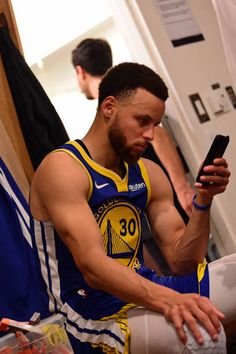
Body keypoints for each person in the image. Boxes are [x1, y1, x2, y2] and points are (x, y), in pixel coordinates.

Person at [30, 62, 236, 354]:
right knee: (200, 335)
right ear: (109, 107)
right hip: (86, 311)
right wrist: (168, 299)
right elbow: (93, 267)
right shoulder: (63, 169)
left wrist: (204, 200)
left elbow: (182, 262)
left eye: (156, 124)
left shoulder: (148, 172)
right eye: (143, 121)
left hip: (141, 290)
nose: (151, 135)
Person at [71, 38, 195, 223]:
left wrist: (181, 187)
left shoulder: (121, 95)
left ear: (80, 71)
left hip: (156, 190)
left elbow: (159, 136)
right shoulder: (114, 99)